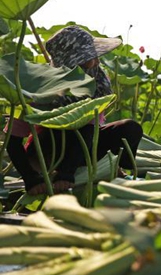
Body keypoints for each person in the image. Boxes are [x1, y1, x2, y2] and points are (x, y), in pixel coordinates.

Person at [5, 25, 143, 195]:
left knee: (129, 128)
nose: (97, 61)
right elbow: (13, 141)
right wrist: (31, 178)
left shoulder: (97, 79)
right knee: (73, 128)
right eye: (90, 57)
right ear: (73, 61)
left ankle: (115, 170)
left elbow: (90, 131)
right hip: (49, 152)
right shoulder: (40, 86)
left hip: (85, 145)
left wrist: (68, 171)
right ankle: (61, 175)